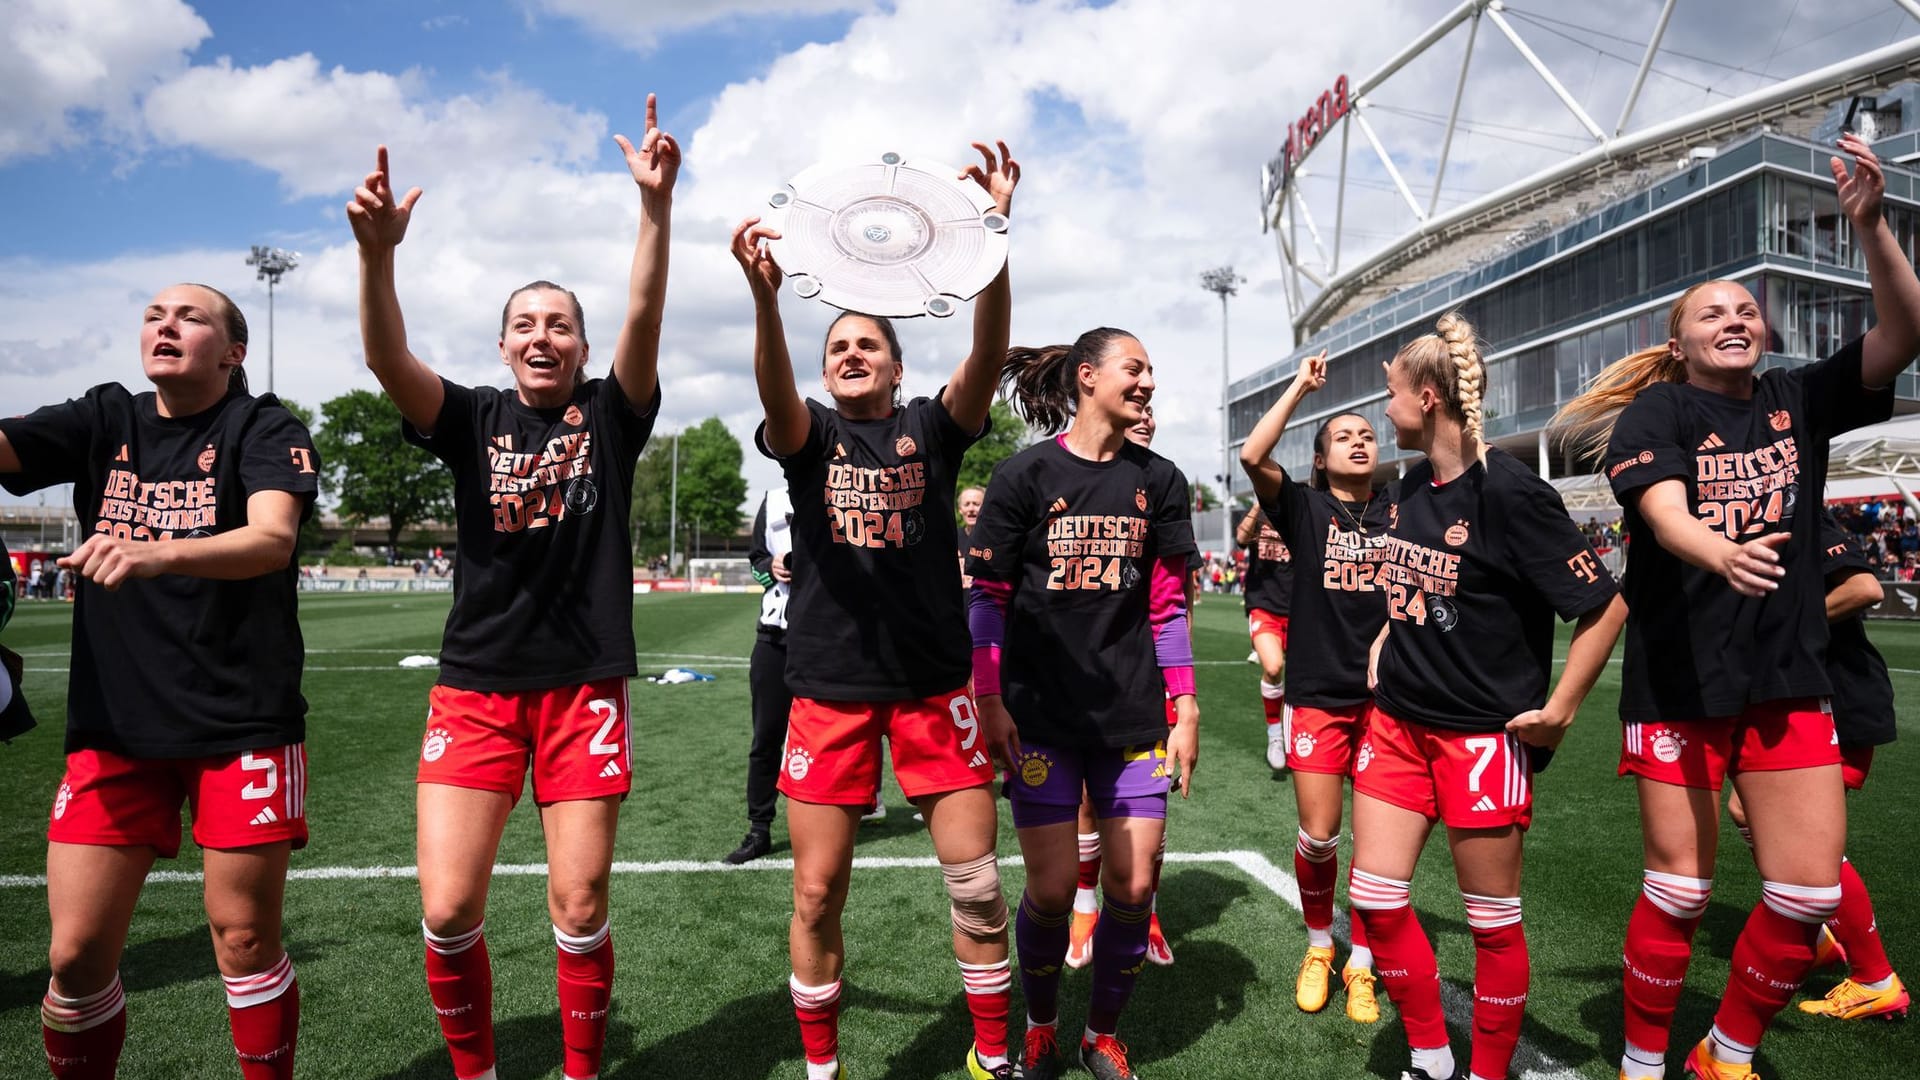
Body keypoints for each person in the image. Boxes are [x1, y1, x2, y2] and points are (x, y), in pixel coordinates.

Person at [1554, 133, 1917, 1080]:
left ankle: (1725, 1052)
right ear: (1679, 343)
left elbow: (1904, 334)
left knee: (1801, 895)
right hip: (1680, 684)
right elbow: (1666, 514)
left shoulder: (1800, 397)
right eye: (1712, 313)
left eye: (1747, 309)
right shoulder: (1659, 415)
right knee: (1679, 890)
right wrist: (1717, 548)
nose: (1735, 318)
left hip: (1788, 680)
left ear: (1764, 334)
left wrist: (1874, 230)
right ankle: (1642, 1065)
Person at [349, 95, 677, 1080]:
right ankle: (476, 1072)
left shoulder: (611, 416)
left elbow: (647, 314)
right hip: (477, 686)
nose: (544, 336)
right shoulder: (472, 417)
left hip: (584, 687)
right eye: (525, 324)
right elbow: (383, 357)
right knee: (449, 910)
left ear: (580, 346)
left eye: (561, 325)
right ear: (502, 346)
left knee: (577, 906)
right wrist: (377, 255)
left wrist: (654, 209)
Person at [732, 139, 1020, 1080]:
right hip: (831, 690)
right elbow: (776, 388)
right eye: (837, 348)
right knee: (815, 895)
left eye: (868, 345)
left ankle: (989, 1059)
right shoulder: (806, 439)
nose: (851, 354)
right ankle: (823, 1069)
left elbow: (988, 349)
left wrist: (992, 240)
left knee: (977, 891)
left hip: (937, 689)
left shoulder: (932, 429)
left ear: (897, 367)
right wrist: (767, 302)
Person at [2, 283, 319, 1080]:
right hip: (115, 728)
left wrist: (155, 551)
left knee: (243, 941)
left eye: (190, 316)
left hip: (240, 722)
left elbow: (273, 537)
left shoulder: (263, 425)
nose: (165, 324)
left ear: (233, 352)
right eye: (153, 314)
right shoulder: (104, 417)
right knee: (73, 958)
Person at [1355, 312, 1625, 1080]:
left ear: (1431, 397)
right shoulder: (1408, 485)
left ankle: (1488, 1071)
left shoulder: (1513, 493)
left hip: (1482, 738)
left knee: (1491, 926)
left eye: (1394, 397)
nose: (1387, 411)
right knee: (1376, 899)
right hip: (1397, 726)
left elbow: (1605, 606)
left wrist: (1561, 710)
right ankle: (1434, 1056)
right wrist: (1385, 635)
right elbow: (1413, 583)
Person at [969, 327, 1197, 1080]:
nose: (1148, 383)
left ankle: (1101, 1035)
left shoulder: (1159, 479)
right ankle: (1040, 1025)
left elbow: (1167, 606)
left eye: (1152, 371)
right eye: (1135, 369)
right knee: (1054, 887)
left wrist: (1186, 704)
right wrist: (991, 698)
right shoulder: (1023, 475)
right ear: (1088, 377)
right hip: (1041, 714)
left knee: (1133, 885)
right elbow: (990, 600)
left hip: (1133, 716)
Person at [1238, 349, 1393, 1025]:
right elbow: (1252, 454)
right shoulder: (1303, 510)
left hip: (1393, 697)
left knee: (1378, 841)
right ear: (1321, 460)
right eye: (1343, 437)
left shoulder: (1404, 507)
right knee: (1321, 834)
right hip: (1321, 692)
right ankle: (1318, 946)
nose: (1359, 441)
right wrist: (1302, 386)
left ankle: (1362, 961)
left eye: (1367, 434)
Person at [1723, 511, 1907, 1021]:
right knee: (1752, 816)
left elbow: (1865, 588)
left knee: (1798, 841)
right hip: (1811, 697)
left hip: (1841, 701)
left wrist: (1784, 632)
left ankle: (1875, 977)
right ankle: (1823, 934)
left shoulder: (1798, 515)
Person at [1065, 404, 1183, 973]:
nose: (1146, 416)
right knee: (1088, 798)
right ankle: (1085, 906)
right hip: (1088, 672)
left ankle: (1150, 912)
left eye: (1153, 412)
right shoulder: (1068, 476)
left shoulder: (1161, 482)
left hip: (1149, 670)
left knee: (1150, 809)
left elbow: (1170, 601)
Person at [728, 489, 796, 864]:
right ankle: (759, 828)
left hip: (825, 637)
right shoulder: (772, 499)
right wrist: (772, 566)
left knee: (829, 737)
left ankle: (846, 816)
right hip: (773, 637)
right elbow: (755, 558)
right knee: (766, 737)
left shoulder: (838, 487)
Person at [1234, 501, 1292, 771]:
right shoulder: (1257, 513)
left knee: (1305, 677)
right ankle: (1275, 735)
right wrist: (1258, 504)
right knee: (1272, 666)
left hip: (1299, 607)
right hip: (1264, 605)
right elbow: (1241, 538)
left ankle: (1297, 737)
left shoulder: (1295, 506)